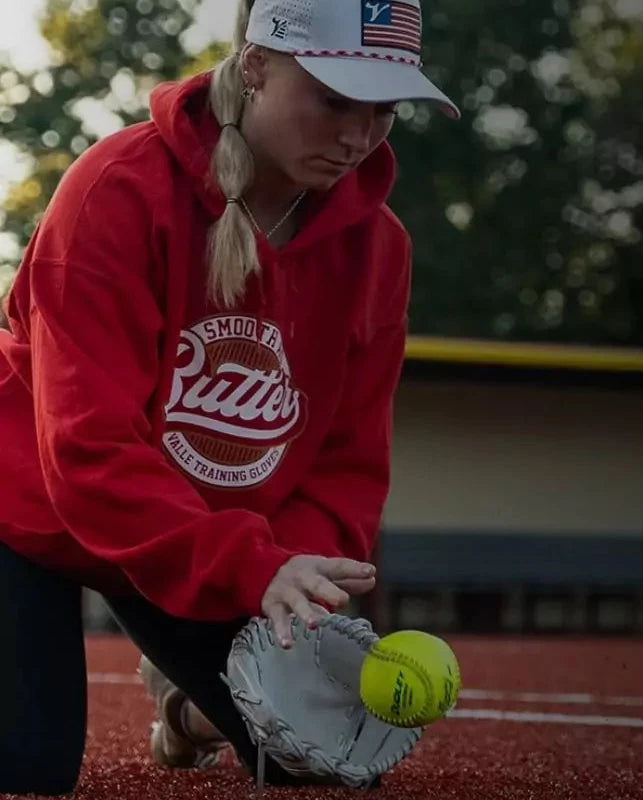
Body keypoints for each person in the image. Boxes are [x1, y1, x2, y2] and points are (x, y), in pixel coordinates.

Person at [0, 0, 459, 794]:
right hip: (24, 512)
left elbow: (348, 461)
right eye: (335, 99)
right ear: (255, 66)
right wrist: (248, 565)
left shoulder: (380, 248)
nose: (359, 135)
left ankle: (185, 711)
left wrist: (288, 574)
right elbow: (87, 449)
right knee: (25, 767)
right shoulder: (115, 191)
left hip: (205, 537)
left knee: (319, 764)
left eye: (385, 110)